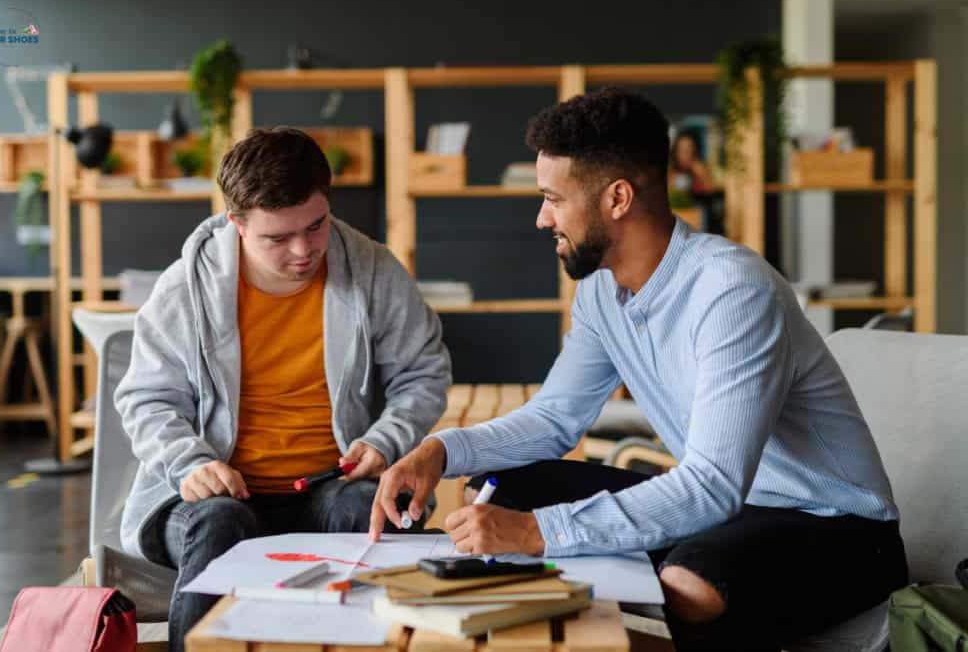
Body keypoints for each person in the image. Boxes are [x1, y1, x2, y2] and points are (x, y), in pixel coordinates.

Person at [369, 89, 907, 651]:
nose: (541, 218)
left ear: (617, 198)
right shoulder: (602, 289)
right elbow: (555, 420)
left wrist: (537, 533)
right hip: (731, 512)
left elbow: (712, 487)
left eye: (553, 198)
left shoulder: (732, 291)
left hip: (838, 529)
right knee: (504, 487)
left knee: (692, 581)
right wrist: (441, 451)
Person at [115, 127, 451, 651]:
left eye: (316, 227)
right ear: (238, 224)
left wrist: (385, 440)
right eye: (278, 238)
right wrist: (190, 464)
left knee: (369, 517)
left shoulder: (373, 271)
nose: (303, 251)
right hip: (211, 497)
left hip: (329, 485)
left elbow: (423, 371)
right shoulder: (184, 288)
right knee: (220, 523)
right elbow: (145, 399)